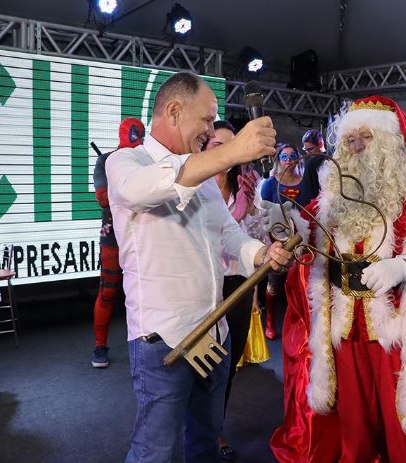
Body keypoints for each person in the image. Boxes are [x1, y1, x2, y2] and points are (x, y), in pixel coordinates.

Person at [105, 72, 293, 463]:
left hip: (214, 332)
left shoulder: (205, 176)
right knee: (153, 452)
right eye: (207, 120)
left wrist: (262, 254)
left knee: (205, 444)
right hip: (162, 342)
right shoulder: (126, 161)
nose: (210, 130)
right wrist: (232, 151)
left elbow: (228, 236)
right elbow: (144, 190)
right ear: (174, 111)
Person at [265, 96, 406, 461]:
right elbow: (306, 238)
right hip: (345, 329)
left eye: (366, 138)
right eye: (350, 140)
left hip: (397, 331)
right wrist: (283, 229)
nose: (356, 148)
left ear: (389, 143)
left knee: (401, 425)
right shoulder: (332, 195)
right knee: (353, 428)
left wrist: (405, 266)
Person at [206, 119, 262, 462]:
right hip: (206, 288)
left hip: (239, 285)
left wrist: (250, 208)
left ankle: (215, 428)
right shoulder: (194, 188)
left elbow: (257, 240)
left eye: (232, 145)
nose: (227, 153)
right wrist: (236, 213)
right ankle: (201, 431)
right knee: (204, 367)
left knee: (227, 367)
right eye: (217, 146)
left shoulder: (245, 187)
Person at [91, 117, 145, 368]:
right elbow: (102, 199)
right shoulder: (105, 161)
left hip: (144, 234)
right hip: (113, 235)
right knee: (108, 290)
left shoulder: (147, 159)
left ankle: (147, 342)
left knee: (146, 290)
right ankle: (99, 345)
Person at [260, 144, 303, 339]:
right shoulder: (270, 183)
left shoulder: (305, 181)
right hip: (278, 240)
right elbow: (264, 214)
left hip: (303, 242)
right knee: (274, 284)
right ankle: (269, 320)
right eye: (284, 156)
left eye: (292, 156)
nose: (288, 159)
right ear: (278, 159)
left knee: (301, 286)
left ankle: (299, 324)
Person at [295, 129, 326, 208]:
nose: (308, 153)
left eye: (310, 149)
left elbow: (307, 194)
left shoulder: (311, 163)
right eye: (306, 150)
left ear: (320, 144)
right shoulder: (331, 159)